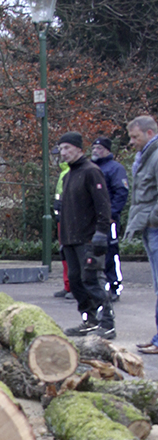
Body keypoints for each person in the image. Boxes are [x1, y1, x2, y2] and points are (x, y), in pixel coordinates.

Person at [57, 131, 115, 339]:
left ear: (79, 149)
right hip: (71, 238)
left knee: (92, 279)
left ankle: (106, 322)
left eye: (67, 148)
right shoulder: (69, 175)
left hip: (88, 237)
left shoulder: (91, 171)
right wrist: (63, 239)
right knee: (76, 281)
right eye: (61, 149)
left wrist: (101, 232)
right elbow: (67, 209)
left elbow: (102, 204)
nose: (63, 153)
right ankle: (89, 320)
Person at [123, 116, 158, 354]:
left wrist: (152, 219)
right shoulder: (146, 155)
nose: (131, 141)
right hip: (149, 226)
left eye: (135, 137)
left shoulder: (154, 156)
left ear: (149, 132)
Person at [90, 136, 129, 301]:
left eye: (99, 148)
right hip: (91, 219)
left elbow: (121, 192)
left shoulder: (115, 169)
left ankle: (114, 287)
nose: (95, 151)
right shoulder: (91, 168)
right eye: (93, 148)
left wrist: (112, 214)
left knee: (110, 253)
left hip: (108, 220)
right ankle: (96, 287)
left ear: (107, 150)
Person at [53, 159, 73, 299]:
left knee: (69, 253)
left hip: (69, 219)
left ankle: (72, 287)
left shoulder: (69, 172)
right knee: (65, 252)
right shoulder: (65, 172)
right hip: (64, 218)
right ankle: (68, 286)